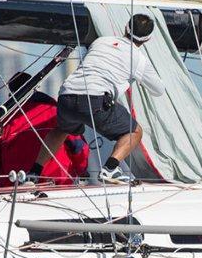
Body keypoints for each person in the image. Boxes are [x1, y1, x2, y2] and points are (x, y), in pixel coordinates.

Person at [25, 13, 165, 185]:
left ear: (126, 27)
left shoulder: (100, 41)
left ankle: (33, 173)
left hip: (66, 95)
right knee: (135, 131)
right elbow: (159, 90)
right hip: (95, 99)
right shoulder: (139, 59)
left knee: (61, 130)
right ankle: (110, 169)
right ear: (148, 39)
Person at [0, 72, 89, 187]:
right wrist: (82, 171)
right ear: (36, 88)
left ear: (11, 94)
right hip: (57, 186)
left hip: (13, 190)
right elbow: (79, 149)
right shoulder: (58, 114)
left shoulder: (3, 122)